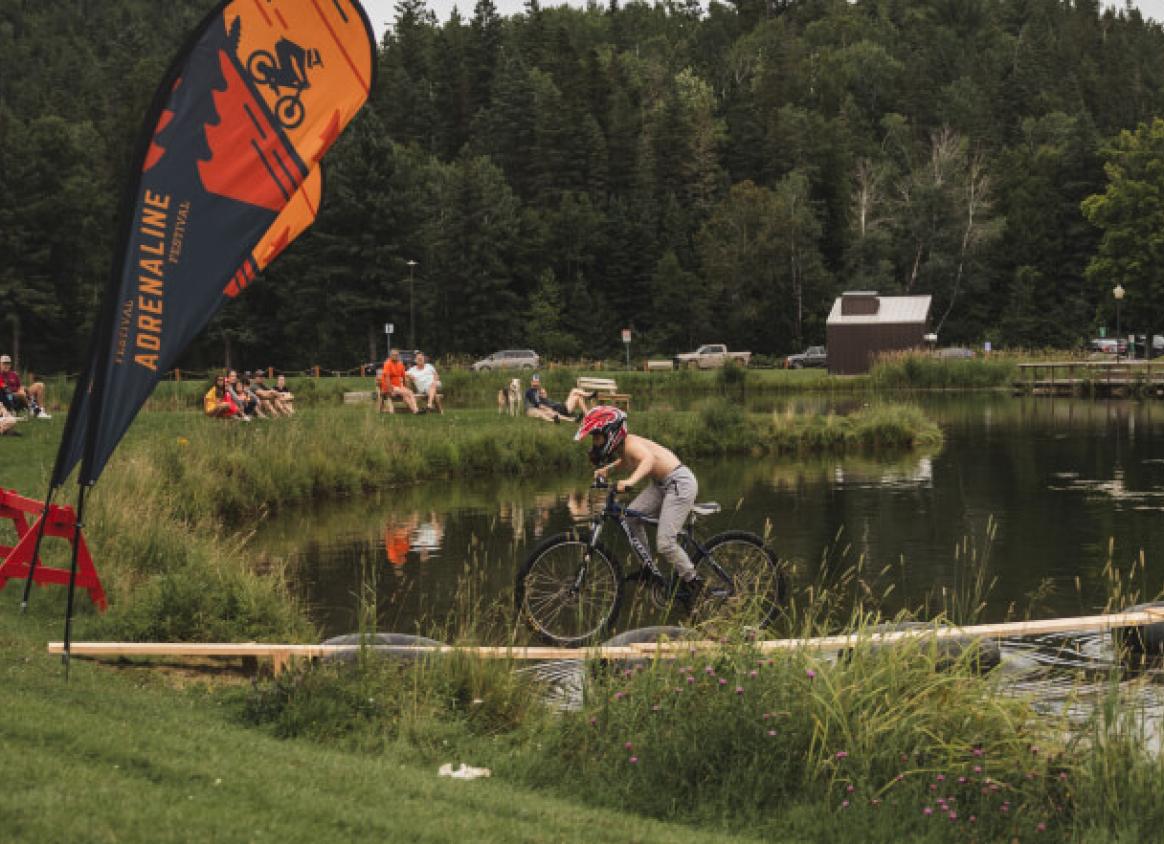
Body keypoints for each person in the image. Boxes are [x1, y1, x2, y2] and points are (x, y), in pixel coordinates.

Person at [575, 406, 702, 598]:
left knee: (665, 543)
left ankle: (694, 581)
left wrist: (629, 482)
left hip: (679, 483)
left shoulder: (630, 444)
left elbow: (648, 460)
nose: (595, 442)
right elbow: (627, 461)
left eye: (597, 437)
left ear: (611, 433)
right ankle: (647, 569)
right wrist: (608, 470)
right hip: (662, 484)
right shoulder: (624, 447)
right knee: (630, 518)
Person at [524, 373, 589, 423]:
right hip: (559, 408)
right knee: (574, 391)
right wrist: (541, 395)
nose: (536, 384)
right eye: (534, 382)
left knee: (578, 395)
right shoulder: (533, 392)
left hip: (561, 406)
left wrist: (542, 392)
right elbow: (539, 404)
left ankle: (587, 415)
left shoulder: (540, 392)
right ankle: (588, 397)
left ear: (539, 383)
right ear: (531, 382)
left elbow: (544, 397)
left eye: (537, 382)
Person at [378, 349, 420, 414]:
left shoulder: (400, 364)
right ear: (390, 356)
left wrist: (405, 386)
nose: (395, 356)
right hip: (389, 387)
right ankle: (416, 410)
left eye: (396, 355)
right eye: (393, 355)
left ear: (398, 356)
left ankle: (415, 410)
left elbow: (403, 377)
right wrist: (390, 390)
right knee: (406, 393)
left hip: (398, 387)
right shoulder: (387, 364)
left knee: (409, 392)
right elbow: (387, 378)